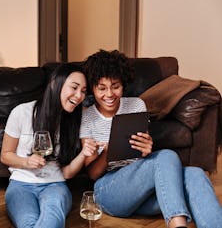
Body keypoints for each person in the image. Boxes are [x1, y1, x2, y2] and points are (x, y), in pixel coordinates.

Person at [80, 49, 222, 228]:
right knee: (167, 156)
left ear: (123, 84)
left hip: (142, 193)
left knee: (196, 174)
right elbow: (93, 174)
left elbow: (147, 164)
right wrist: (109, 149)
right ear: (93, 88)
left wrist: (147, 151)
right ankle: (177, 224)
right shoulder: (87, 117)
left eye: (115, 86)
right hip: (109, 192)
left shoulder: (136, 105)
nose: (109, 94)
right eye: (102, 88)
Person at [0, 63, 97, 228]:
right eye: (74, 87)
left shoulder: (76, 120)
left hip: (55, 185)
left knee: (51, 221)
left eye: (83, 91)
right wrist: (26, 162)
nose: (79, 95)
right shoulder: (22, 112)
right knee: (27, 223)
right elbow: (5, 155)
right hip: (20, 183)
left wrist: (84, 154)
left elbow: (67, 173)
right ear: (54, 84)